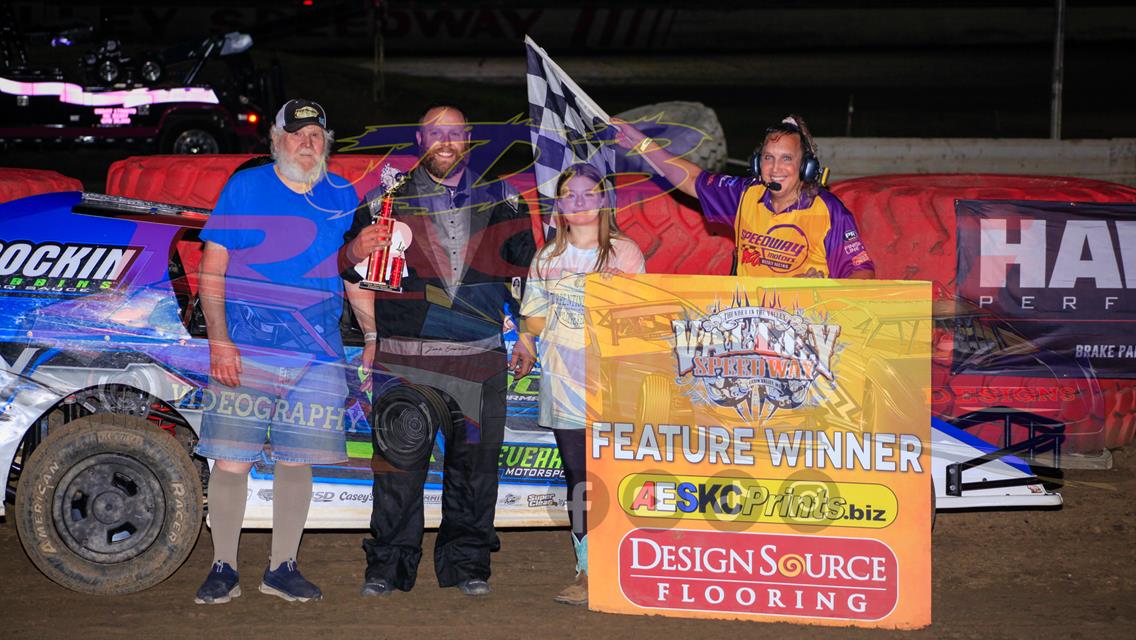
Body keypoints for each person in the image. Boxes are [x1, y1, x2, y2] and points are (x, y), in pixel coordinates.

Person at [340, 105, 538, 598]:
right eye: (435, 133)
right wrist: (369, 335)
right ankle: (387, 566)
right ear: (419, 138)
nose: (444, 142)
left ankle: (467, 564)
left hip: (480, 357)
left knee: (475, 471)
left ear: (468, 137)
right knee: (398, 473)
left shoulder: (504, 197)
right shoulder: (386, 197)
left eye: (454, 133)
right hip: (406, 359)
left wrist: (529, 335)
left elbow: (528, 275)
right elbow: (349, 269)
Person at [193, 98, 378, 604]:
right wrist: (220, 341)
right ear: (277, 140)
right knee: (231, 460)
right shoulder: (246, 187)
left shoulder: (342, 194)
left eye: (317, 135)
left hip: (319, 355)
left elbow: (352, 271)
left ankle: (282, 567)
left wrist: (372, 335)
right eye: (297, 135)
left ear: (327, 143)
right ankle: (223, 565)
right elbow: (212, 268)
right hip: (248, 351)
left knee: (299, 462)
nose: (307, 143)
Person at [518, 164, 645, 606]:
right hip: (562, 383)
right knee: (579, 479)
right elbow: (534, 315)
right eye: (569, 195)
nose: (579, 202)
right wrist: (525, 342)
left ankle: (627, 564)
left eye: (588, 193)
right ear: (558, 206)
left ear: (604, 200)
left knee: (615, 475)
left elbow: (638, 322)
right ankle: (587, 570)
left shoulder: (625, 254)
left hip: (611, 387)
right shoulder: (546, 258)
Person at [613, 114, 874, 279]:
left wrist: (825, 289)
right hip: (749, 322)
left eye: (787, 159)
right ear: (758, 164)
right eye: (769, 158)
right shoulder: (744, 195)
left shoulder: (828, 211)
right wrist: (639, 142)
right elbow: (691, 178)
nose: (775, 169)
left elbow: (862, 272)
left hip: (805, 327)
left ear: (805, 166)